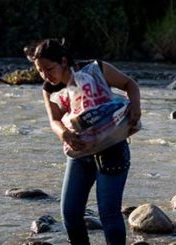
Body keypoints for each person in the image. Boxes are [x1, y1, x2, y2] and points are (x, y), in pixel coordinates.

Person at [24, 38, 141, 244]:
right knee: (70, 212)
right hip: (79, 152)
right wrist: (64, 134)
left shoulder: (96, 69)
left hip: (112, 148)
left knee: (109, 214)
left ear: (62, 61)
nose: (45, 75)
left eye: (49, 69)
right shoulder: (49, 89)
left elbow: (130, 84)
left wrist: (136, 107)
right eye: (40, 71)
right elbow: (54, 120)